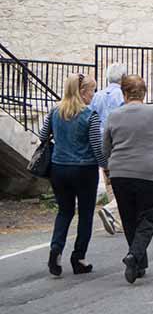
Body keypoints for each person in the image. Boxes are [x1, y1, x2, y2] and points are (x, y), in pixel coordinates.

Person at [103, 75, 153, 284]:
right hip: (148, 173)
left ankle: (139, 265)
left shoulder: (114, 115)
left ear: (124, 93)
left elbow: (106, 148)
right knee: (149, 217)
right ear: (144, 93)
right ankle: (134, 257)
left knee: (129, 218)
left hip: (120, 174)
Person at [39, 74, 105, 276]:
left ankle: (55, 249)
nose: (93, 95)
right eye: (92, 90)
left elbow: (42, 136)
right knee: (85, 214)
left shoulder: (55, 111)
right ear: (82, 91)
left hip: (59, 168)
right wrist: (106, 166)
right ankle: (78, 258)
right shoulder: (89, 115)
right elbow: (96, 145)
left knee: (64, 211)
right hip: (84, 169)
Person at [89, 62, 127, 235]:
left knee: (111, 181)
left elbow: (89, 118)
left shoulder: (97, 96)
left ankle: (117, 221)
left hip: (100, 144)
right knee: (126, 181)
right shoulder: (122, 96)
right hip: (118, 144)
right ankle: (111, 209)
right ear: (123, 78)